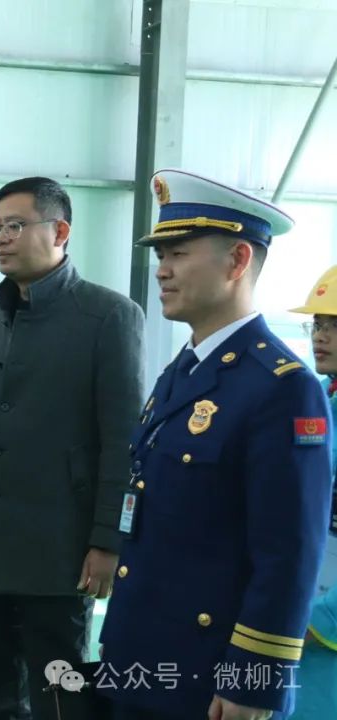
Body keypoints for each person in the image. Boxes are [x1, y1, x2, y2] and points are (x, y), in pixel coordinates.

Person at [98, 169, 332, 720]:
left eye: (179, 253)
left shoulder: (281, 387)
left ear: (238, 260)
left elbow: (289, 553)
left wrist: (253, 681)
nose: (162, 269)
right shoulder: (182, 372)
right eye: (161, 255)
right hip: (140, 661)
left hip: (209, 682)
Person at [0, 176, 146, 720]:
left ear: (60, 231)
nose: (1, 238)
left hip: (61, 552)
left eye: (15, 225)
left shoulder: (108, 316)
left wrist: (107, 541)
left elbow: (123, 442)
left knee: (60, 697)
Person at [288, 266, 337, 719]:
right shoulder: (316, 399)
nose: (321, 336)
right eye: (318, 324)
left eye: (335, 326)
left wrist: (323, 619)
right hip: (301, 597)